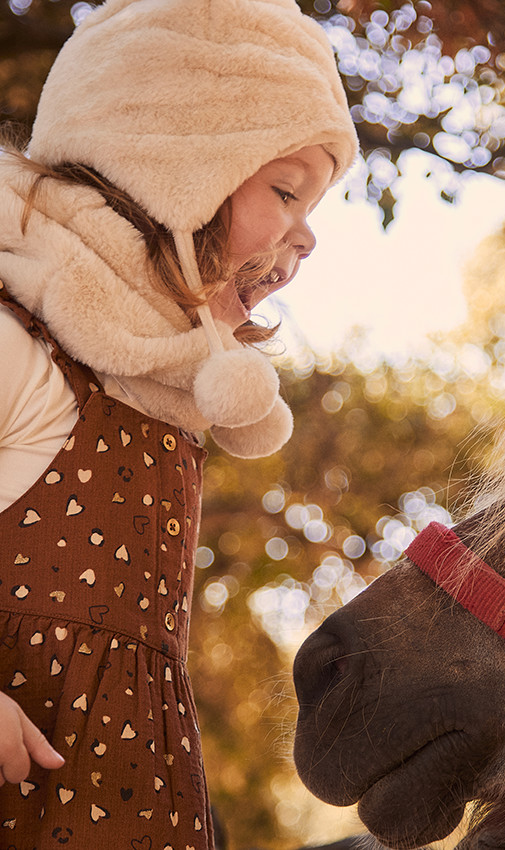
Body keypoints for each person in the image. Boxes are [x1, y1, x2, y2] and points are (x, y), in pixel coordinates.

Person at [0, 0, 358, 845]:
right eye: (285, 190)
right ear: (166, 165)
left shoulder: (153, 406)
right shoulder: (19, 350)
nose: (307, 236)